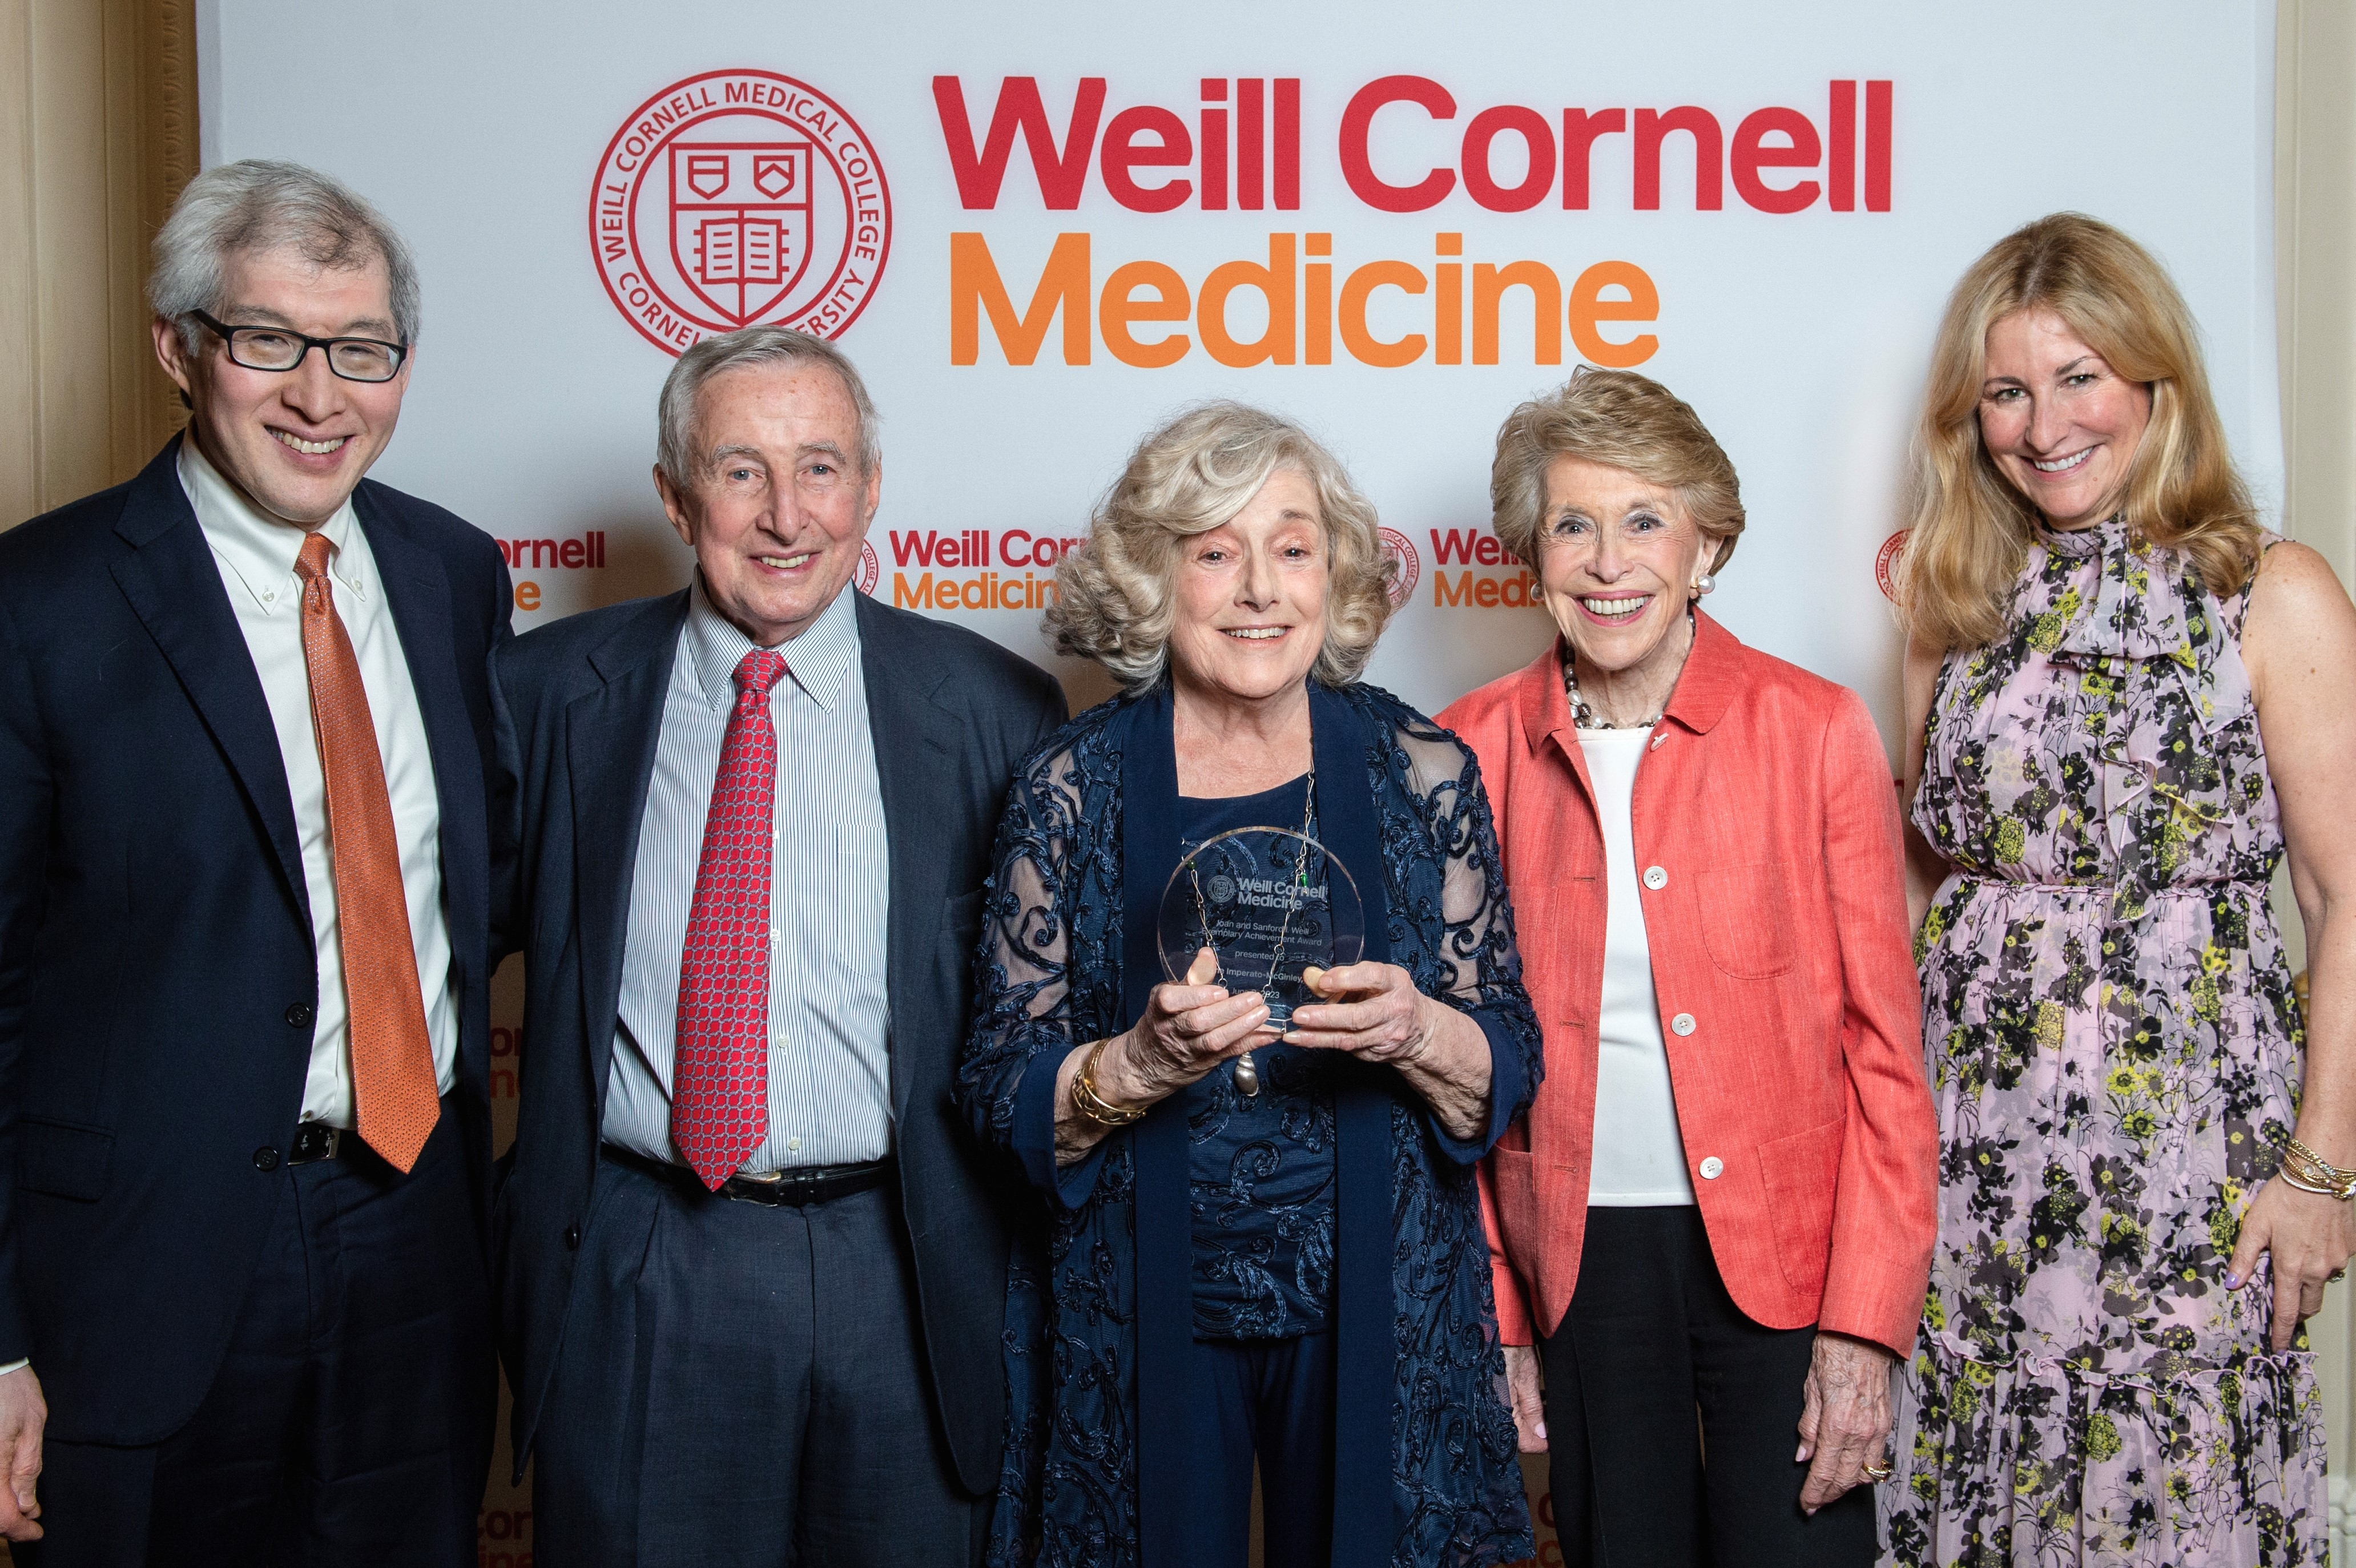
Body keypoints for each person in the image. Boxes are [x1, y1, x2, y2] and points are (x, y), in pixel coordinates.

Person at [488, 324, 1066, 1566]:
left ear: (870, 489)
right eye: (740, 469)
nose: (785, 514)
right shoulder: (545, 697)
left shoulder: (996, 710)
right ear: (674, 493)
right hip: (645, 1257)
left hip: (904, 1266)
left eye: (821, 467)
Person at [0, 160, 510, 1562]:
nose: (318, 395)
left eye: (361, 350)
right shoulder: (35, 604)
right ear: (178, 347)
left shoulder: (456, 577)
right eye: (267, 340)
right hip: (142, 1270)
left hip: (414, 1235)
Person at [958, 401, 1543, 1568]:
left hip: (1383, 1300)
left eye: (1291, 547)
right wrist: (1133, 1068)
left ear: (1333, 574)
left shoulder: (1419, 769)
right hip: (1146, 1297)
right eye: (1215, 552)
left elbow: (1508, 1056)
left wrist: (1421, 1030)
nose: (1259, 589)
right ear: (1153, 576)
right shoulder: (1070, 785)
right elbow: (996, 1082)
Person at [1883, 212, 2355, 1565]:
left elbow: (2345, 894)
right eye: (2008, 394)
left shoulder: (2274, 592)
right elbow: (1930, 880)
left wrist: (2324, 1169)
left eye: (2081, 377)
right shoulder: (1950, 596)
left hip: (2196, 1164)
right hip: (1979, 1158)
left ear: (2157, 382)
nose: (2045, 427)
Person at [1437, 368, 1939, 1567]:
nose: (1609, 561)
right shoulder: (1466, 747)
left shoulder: (1814, 729)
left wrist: (1868, 1326)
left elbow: (1885, 1056)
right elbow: (1453, 1080)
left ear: (1705, 545)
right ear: (1533, 552)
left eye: (1646, 520)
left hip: (1791, 1262)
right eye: (1574, 524)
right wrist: (1503, 1313)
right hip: (1582, 1263)